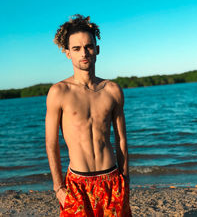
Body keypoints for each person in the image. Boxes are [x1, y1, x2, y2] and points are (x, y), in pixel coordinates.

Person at [45, 14, 132, 216]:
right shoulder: (59, 92)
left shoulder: (112, 90)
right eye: (76, 48)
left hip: (111, 178)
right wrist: (58, 187)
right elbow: (51, 143)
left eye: (89, 46)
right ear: (68, 53)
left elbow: (121, 139)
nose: (84, 53)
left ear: (97, 49)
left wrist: (125, 179)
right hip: (77, 183)